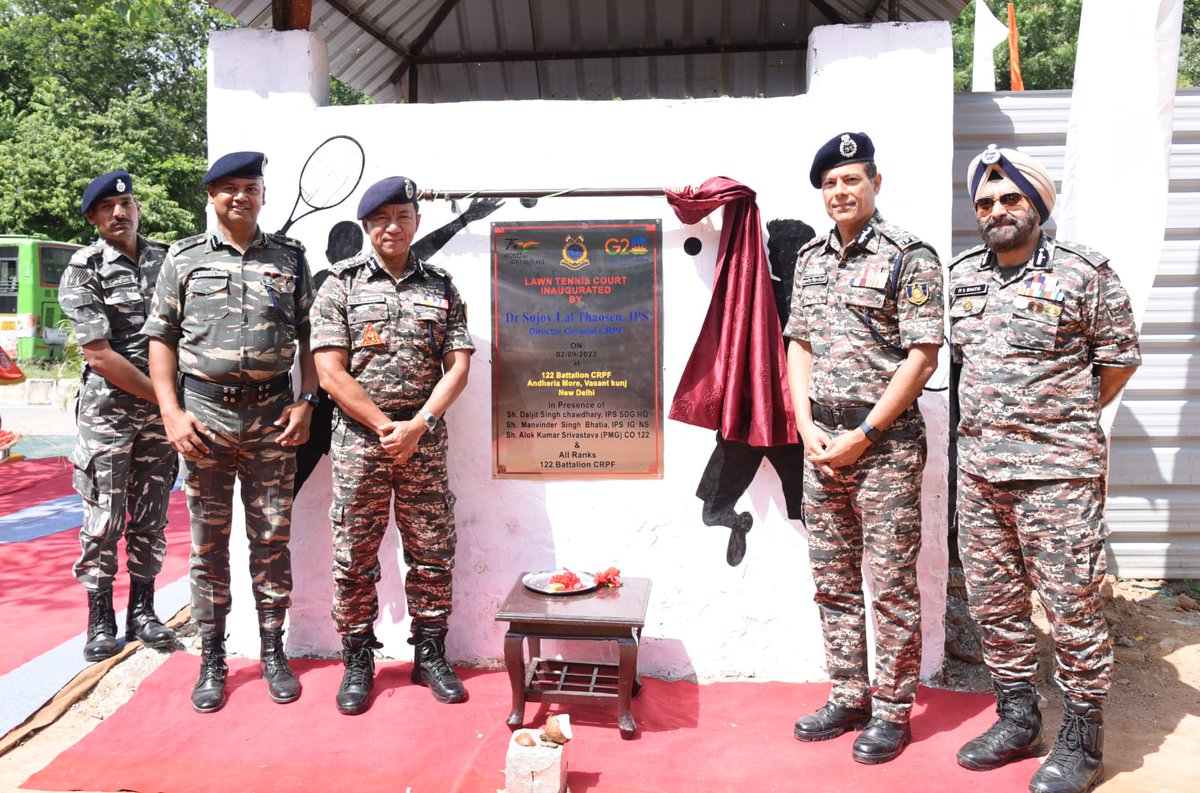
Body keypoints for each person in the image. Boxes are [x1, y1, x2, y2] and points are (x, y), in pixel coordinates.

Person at [950, 145, 1140, 793]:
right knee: (996, 608)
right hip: (979, 478)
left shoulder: (1085, 273)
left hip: (1059, 477)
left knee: (1072, 607)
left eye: (1010, 198)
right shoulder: (963, 278)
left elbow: (1116, 362)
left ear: (1037, 204)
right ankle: (1017, 718)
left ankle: (1083, 740)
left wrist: (1056, 425)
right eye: (985, 202)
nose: (997, 210)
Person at [783, 132, 944, 764]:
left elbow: (923, 356)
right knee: (833, 580)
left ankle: (893, 709)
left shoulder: (911, 256)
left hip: (885, 447)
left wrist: (866, 434)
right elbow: (799, 343)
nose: (840, 192)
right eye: (829, 184)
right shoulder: (810, 260)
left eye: (851, 179)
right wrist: (804, 424)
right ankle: (848, 693)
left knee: (892, 584)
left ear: (876, 184)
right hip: (822, 443)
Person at [143, 151, 318, 713]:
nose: (239, 196)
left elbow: (313, 334)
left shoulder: (290, 257)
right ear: (211, 197)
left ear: (263, 194)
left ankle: (272, 650)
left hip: (273, 418)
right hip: (205, 420)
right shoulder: (183, 257)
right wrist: (171, 411)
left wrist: (309, 400)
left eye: (250, 186)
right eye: (227, 189)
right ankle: (213, 657)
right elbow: (161, 338)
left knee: (271, 540)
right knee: (207, 545)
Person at [310, 176, 474, 714]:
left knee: (432, 551)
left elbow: (459, 367)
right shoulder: (340, 287)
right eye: (381, 218)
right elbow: (330, 373)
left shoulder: (442, 287)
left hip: (423, 441)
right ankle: (357, 657)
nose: (392, 226)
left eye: (402, 215)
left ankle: (429, 654)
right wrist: (388, 427)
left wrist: (419, 423)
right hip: (362, 443)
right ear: (366, 226)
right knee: (354, 554)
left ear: (416, 222)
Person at [58, 170, 178, 661]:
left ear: (138, 209)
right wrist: (165, 399)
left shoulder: (167, 259)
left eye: (126, 204)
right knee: (104, 517)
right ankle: (100, 616)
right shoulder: (82, 268)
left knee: (151, 514)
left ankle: (144, 611)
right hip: (109, 415)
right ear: (94, 217)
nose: (119, 213)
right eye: (106, 207)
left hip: (160, 416)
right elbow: (100, 355)